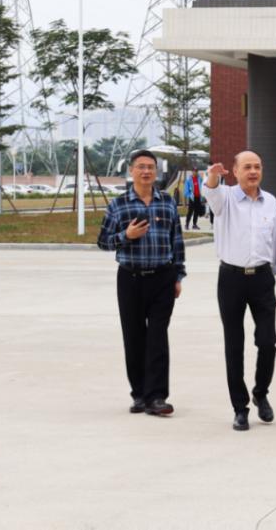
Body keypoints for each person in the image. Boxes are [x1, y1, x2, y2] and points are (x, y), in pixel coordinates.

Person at [203, 151, 276, 431]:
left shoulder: (271, 202)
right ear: (236, 171)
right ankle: (240, 408)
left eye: (257, 167)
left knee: (268, 341)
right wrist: (213, 176)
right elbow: (210, 191)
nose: (253, 171)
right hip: (231, 279)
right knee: (234, 344)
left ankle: (261, 393)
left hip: (262, 278)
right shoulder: (225, 198)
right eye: (247, 167)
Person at [97, 149, 185, 417]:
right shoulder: (118, 204)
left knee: (158, 337)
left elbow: (176, 240)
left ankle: (157, 396)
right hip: (130, 278)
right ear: (131, 171)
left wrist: (178, 275)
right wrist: (126, 235)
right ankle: (139, 395)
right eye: (141, 167)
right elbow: (103, 241)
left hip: (162, 278)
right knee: (134, 337)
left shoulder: (167, 202)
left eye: (150, 167)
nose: (146, 171)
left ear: (156, 172)